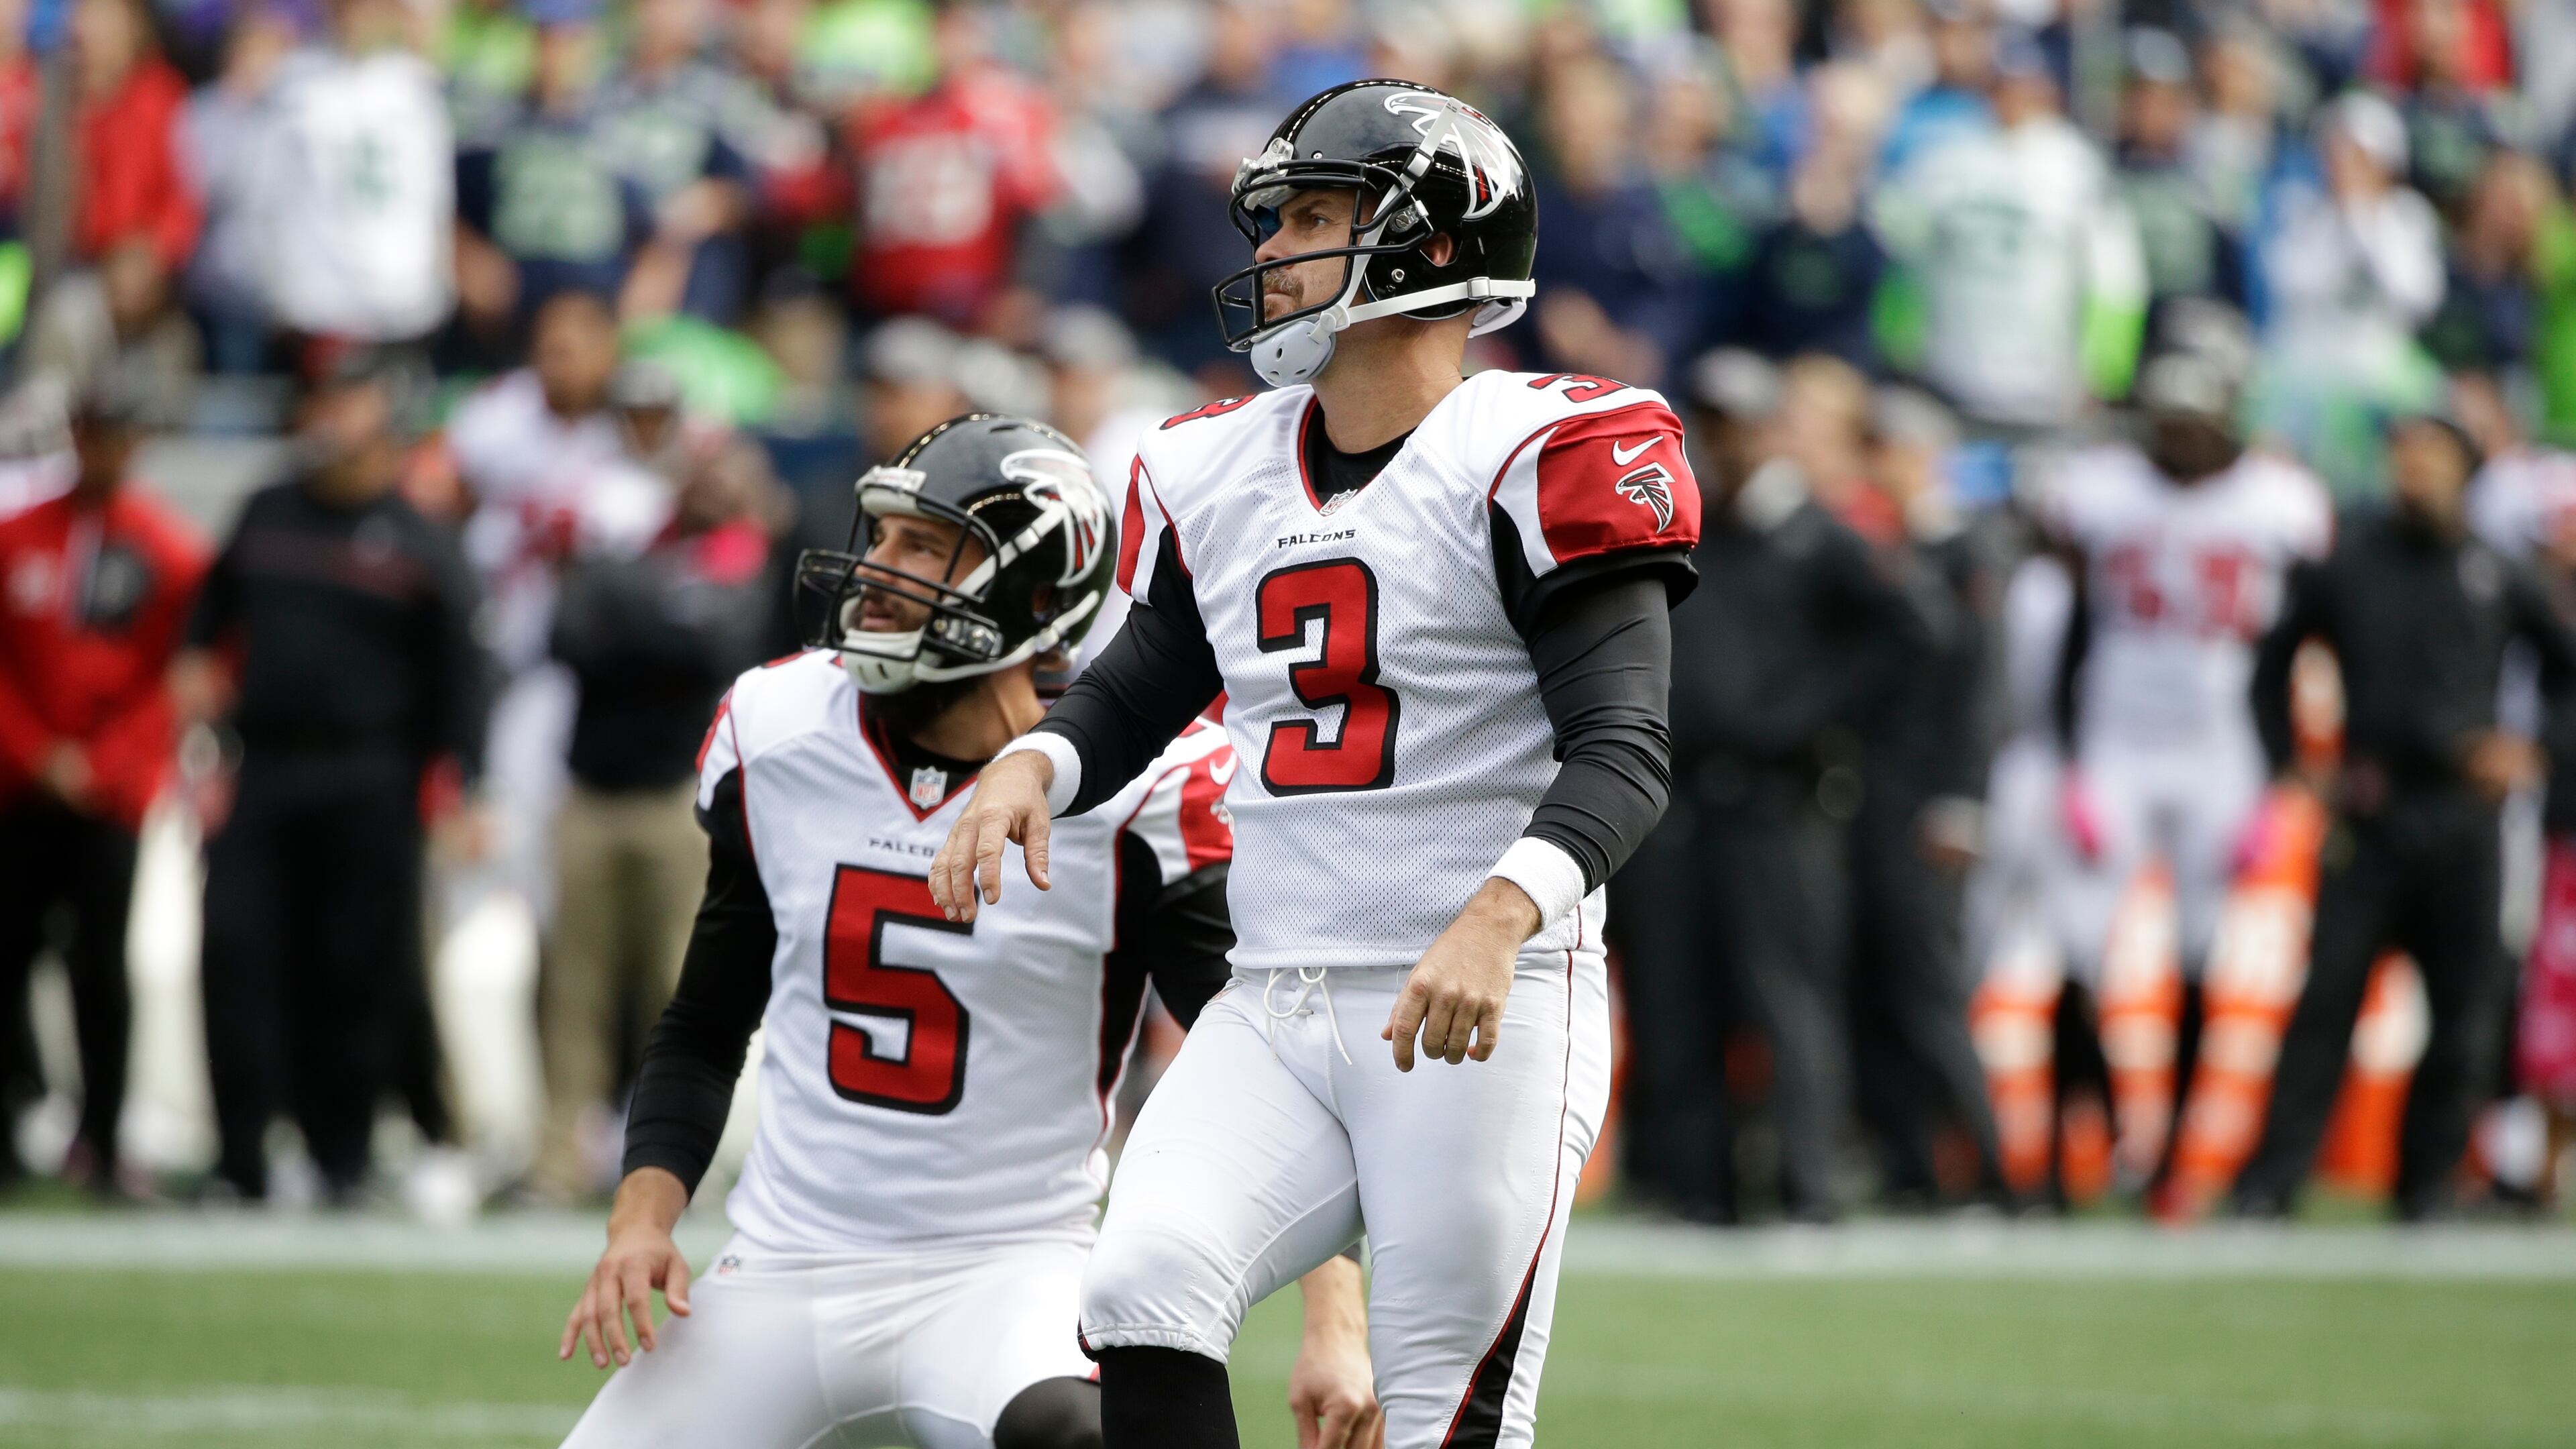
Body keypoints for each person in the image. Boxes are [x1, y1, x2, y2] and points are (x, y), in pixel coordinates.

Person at [930, 82, 1701, 1446]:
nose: (1276, 247)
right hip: (1277, 996)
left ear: (1429, 244)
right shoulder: (1212, 464)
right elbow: (1148, 675)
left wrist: (1501, 908)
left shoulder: (1538, 449)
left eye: (1316, 215)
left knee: (1442, 1420)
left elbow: (1626, 748)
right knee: (1145, 1280)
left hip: (1482, 1001)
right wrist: (1039, 760)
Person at [557, 414, 1381, 1449]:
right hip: (781, 1262)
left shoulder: (1141, 794)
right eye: (884, 538)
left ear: (1034, 595)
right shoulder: (779, 730)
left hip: (1009, 1271)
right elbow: (706, 1022)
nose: (880, 572)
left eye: (926, 547)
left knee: (1089, 1439)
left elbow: (1261, 1070)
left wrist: (1333, 1316)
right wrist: (641, 1221)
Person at [2234, 409, 2576, 1220]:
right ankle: (2270, 1183)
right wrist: (2291, 762)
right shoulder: (2350, 562)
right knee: (2326, 1004)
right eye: (2403, 455)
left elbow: (2569, 673)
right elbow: (2272, 659)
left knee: (2464, 1011)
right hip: (2370, 811)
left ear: (2465, 471)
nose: (2413, 470)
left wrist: (2531, 751)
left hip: (2464, 816)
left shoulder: (2492, 569)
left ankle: (2426, 1187)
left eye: (2431, 456)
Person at [173, 353, 488, 1204]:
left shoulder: (418, 537)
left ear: (382, 422)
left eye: (345, 403)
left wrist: (466, 785)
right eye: (322, 400)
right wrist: (196, 676)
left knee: (356, 967)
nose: (328, 419)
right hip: (265, 764)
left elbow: (463, 669)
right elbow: (207, 617)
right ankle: (241, 1157)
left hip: (373, 774)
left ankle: (338, 1155)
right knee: (237, 951)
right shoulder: (269, 509)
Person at [2043, 340, 2331, 1187]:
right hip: (2117, 743)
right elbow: (2066, 619)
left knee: (2202, 956)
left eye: (2193, 423)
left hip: (2222, 750)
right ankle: (2075, 1153)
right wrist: (2067, 752)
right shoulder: (2104, 490)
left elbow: (2309, 637)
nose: (2179, 440)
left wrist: (2283, 767)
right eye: (2168, 423)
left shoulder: (2278, 502)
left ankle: (2171, 1154)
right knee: (2077, 950)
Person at [528, 368, 773, 1203]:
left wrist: (631, 615)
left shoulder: (736, 555)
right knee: (576, 987)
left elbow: (712, 648)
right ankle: (562, 1155)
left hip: (683, 799)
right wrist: (655, 614)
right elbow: (568, 636)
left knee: (679, 988)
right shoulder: (627, 533)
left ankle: (667, 1159)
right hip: (592, 791)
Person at [0, 369, 203, 1197]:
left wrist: (107, 766)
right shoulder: (17, 538)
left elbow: (171, 680)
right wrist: (36, 754)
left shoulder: (167, 550)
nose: (106, 446)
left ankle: (105, 1132)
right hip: (20, 787)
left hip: (110, 793)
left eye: (121, 431)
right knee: (7, 959)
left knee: (102, 969)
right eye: (95, 429)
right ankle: (13, 1129)